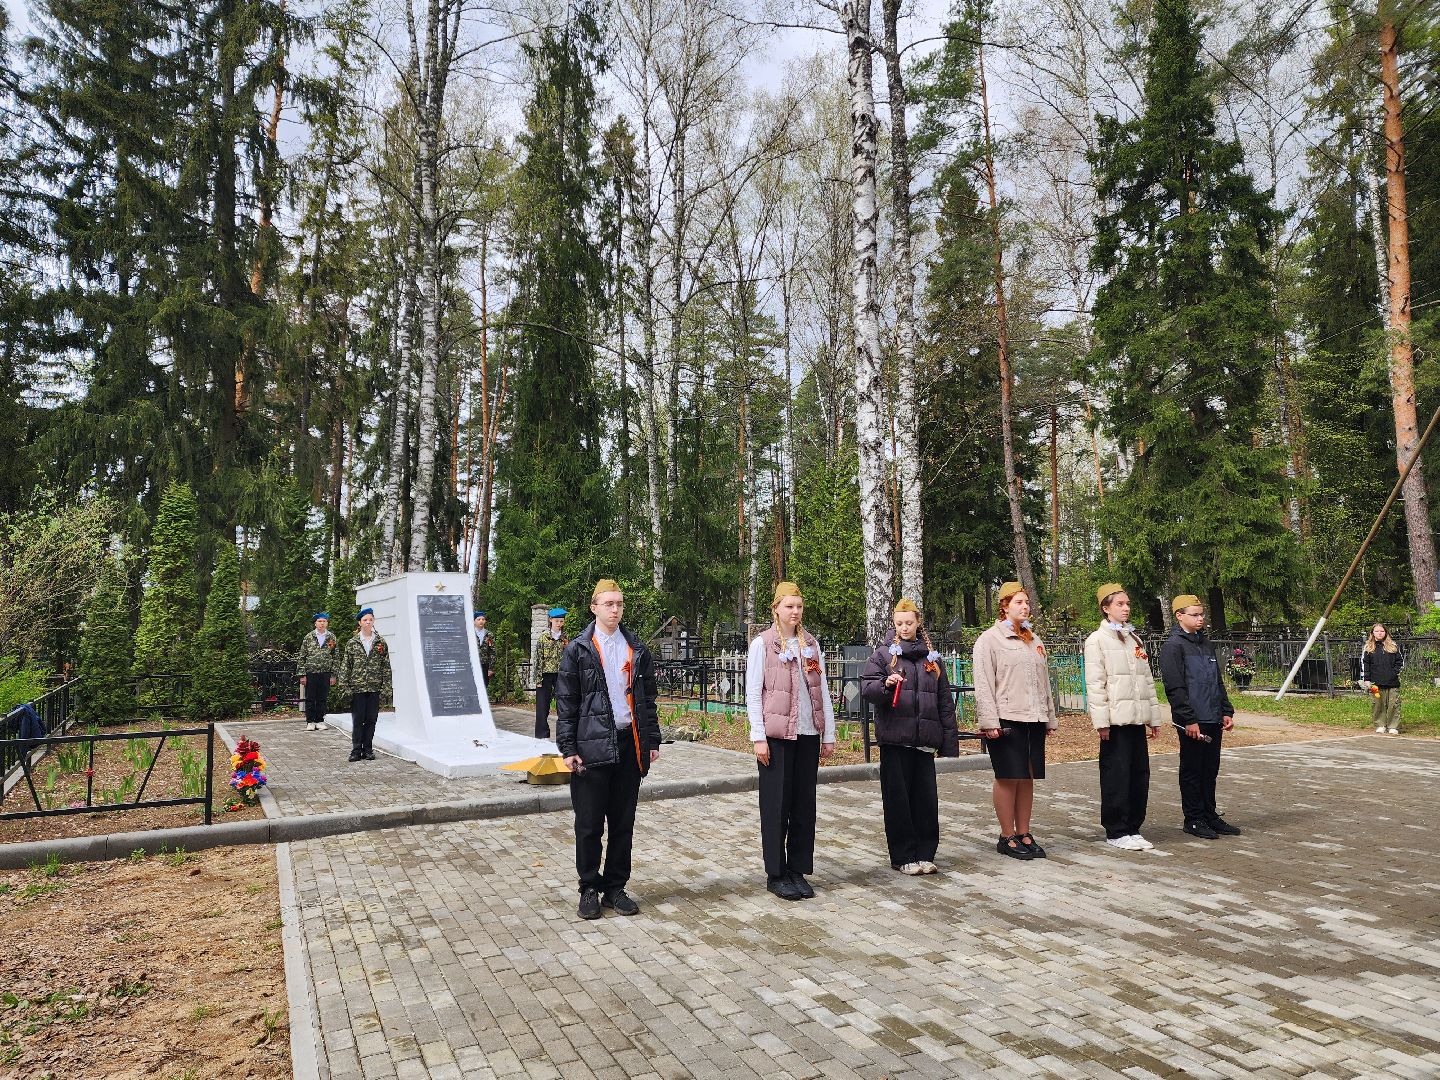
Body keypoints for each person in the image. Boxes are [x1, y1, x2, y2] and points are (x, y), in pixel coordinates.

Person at [556, 580, 661, 920]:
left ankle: (615, 887)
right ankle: (588, 886)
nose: (615, 609)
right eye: (608, 603)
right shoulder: (578, 649)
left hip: (629, 743)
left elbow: (647, 701)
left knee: (622, 821)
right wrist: (568, 747)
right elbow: (566, 702)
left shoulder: (636, 648)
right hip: (590, 746)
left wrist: (652, 740)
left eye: (619, 603)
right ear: (594, 607)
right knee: (588, 823)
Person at [746, 582, 836, 901]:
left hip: (808, 734)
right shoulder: (764, 644)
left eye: (798, 606)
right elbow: (754, 693)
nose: (794, 612)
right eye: (788, 606)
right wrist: (759, 737)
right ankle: (776, 872)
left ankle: (797, 869)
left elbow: (821, 690)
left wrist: (829, 733)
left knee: (802, 806)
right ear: (776, 608)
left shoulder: (810, 644)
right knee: (776, 805)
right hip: (777, 736)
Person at [861, 598, 959, 876]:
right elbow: (868, 689)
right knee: (898, 801)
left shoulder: (932, 659)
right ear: (894, 625)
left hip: (924, 740)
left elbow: (944, 701)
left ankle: (926, 852)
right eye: (899, 623)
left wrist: (948, 743)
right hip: (895, 739)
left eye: (909, 623)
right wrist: (885, 684)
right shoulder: (883, 656)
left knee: (925, 800)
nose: (904, 628)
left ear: (918, 623)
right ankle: (903, 855)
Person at [972, 582, 1056, 860]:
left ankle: (1024, 832)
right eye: (1018, 602)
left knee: (1027, 776)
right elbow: (983, 683)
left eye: (1027, 602)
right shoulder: (989, 640)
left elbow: (1044, 682)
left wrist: (1049, 718)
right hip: (1006, 718)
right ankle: (1006, 835)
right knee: (1008, 777)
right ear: (1004, 606)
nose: (1025, 606)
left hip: (1034, 717)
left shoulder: (1034, 639)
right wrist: (988, 721)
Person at [1084, 585, 1161, 851]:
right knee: (1117, 774)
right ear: (1106, 608)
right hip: (1115, 721)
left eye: (1127, 604)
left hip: (1137, 718)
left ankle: (1133, 826)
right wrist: (1101, 721)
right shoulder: (1097, 640)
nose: (1126, 608)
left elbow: (1147, 681)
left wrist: (1154, 717)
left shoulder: (1134, 640)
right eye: (1119, 604)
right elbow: (1095, 683)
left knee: (1139, 774)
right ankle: (1116, 830)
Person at [1159, 594, 1239, 840]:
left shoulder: (1205, 644)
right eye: (1194, 614)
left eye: (1202, 614)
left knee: (1210, 768)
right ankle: (1193, 818)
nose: (1200, 618)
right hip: (1193, 719)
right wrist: (1187, 719)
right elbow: (1175, 687)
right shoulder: (1173, 646)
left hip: (1212, 715)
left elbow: (1216, 680)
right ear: (1180, 616)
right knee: (1193, 769)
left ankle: (1209, 814)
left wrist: (1226, 710)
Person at [337, 607, 391, 763]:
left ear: (373, 621)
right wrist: (345, 686)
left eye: (370, 619)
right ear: (359, 623)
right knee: (358, 719)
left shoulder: (380, 642)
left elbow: (385, 666)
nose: (368, 622)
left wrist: (386, 687)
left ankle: (368, 749)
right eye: (365, 620)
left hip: (374, 687)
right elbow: (346, 666)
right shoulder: (352, 643)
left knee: (371, 720)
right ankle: (356, 750)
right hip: (357, 687)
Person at [297, 613, 339, 732]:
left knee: (322, 698)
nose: (322, 623)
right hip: (311, 672)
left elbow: (336, 656)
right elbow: (302, 656)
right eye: (319, 621)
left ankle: (320, 720)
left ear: (327, 623)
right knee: (310, 698)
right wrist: (302, 674)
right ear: (315, 623)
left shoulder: (331, 637)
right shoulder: (309, 637)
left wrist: (333, 675)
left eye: (324, 621)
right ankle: (310, 721)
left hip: (325, 672)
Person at [1360, 623, 1404, 735]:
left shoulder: (1393, 646)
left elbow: (1400, 662)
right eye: (1377, 631)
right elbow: (1365, 664)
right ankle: (1380, 724)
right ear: (1373, 633)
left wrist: (1394, 672)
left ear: (1386, 633)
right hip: (1375, 683)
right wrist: (1367, 679)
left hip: (1392, 682)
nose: (1380, 633)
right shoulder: (1368, 647)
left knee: (1394, 704)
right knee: (1377, 704)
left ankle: (1393, 726)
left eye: (1382, 631)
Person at [534, 608, 568, 739]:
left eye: (561, 621)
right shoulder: (544, 637)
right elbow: (538, 658)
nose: (559, 623)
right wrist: (537, 679)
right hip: (545, 675)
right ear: (550, 620)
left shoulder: (565, 638)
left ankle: (564, 734)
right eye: (557, 621)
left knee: (564, 705)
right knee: (542, 707)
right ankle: (542, 735)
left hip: (561, 675)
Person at [473, 611, 496, 686]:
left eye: (483, 619)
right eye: (479, 619)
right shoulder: (470, 634)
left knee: (484, 686)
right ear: (474, 621)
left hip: (485, 665)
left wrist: (491, 668)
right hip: (472, 665)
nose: (481, 621)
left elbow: (493, 652)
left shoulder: (489, 635)